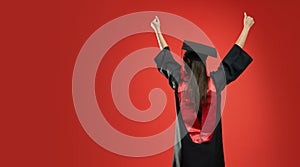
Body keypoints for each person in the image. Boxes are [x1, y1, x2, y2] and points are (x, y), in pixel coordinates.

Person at [151, 12, 254, 167]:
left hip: (185, 157)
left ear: (185, 64)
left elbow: (167, 59)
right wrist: (246, 28)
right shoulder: (215, 82)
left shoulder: (179, 82)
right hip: (211, 158)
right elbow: (231, 60)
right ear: (204, 66)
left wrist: (157, 30)